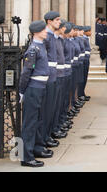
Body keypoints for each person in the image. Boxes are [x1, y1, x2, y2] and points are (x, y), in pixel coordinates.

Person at [19, 20, 52, 167]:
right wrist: (21, 91)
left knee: (38, 120)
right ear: (36, 32)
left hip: (40, 87)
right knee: (29, 123)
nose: (46, 31)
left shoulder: (41, 46)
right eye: (44, 30)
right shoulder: (33, 49)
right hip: (33, 88)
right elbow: (26, 72)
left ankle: (36, 148)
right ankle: (26, 156)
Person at [42, 11, 61, 147]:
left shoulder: (52, 36)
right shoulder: (46, 36)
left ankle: (47, 136)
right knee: (45, 110)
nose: (59, 22)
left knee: (51, 108)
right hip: (47, 77)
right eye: (57, 20)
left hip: (53, 76)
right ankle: (43, 138)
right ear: (49, 21)